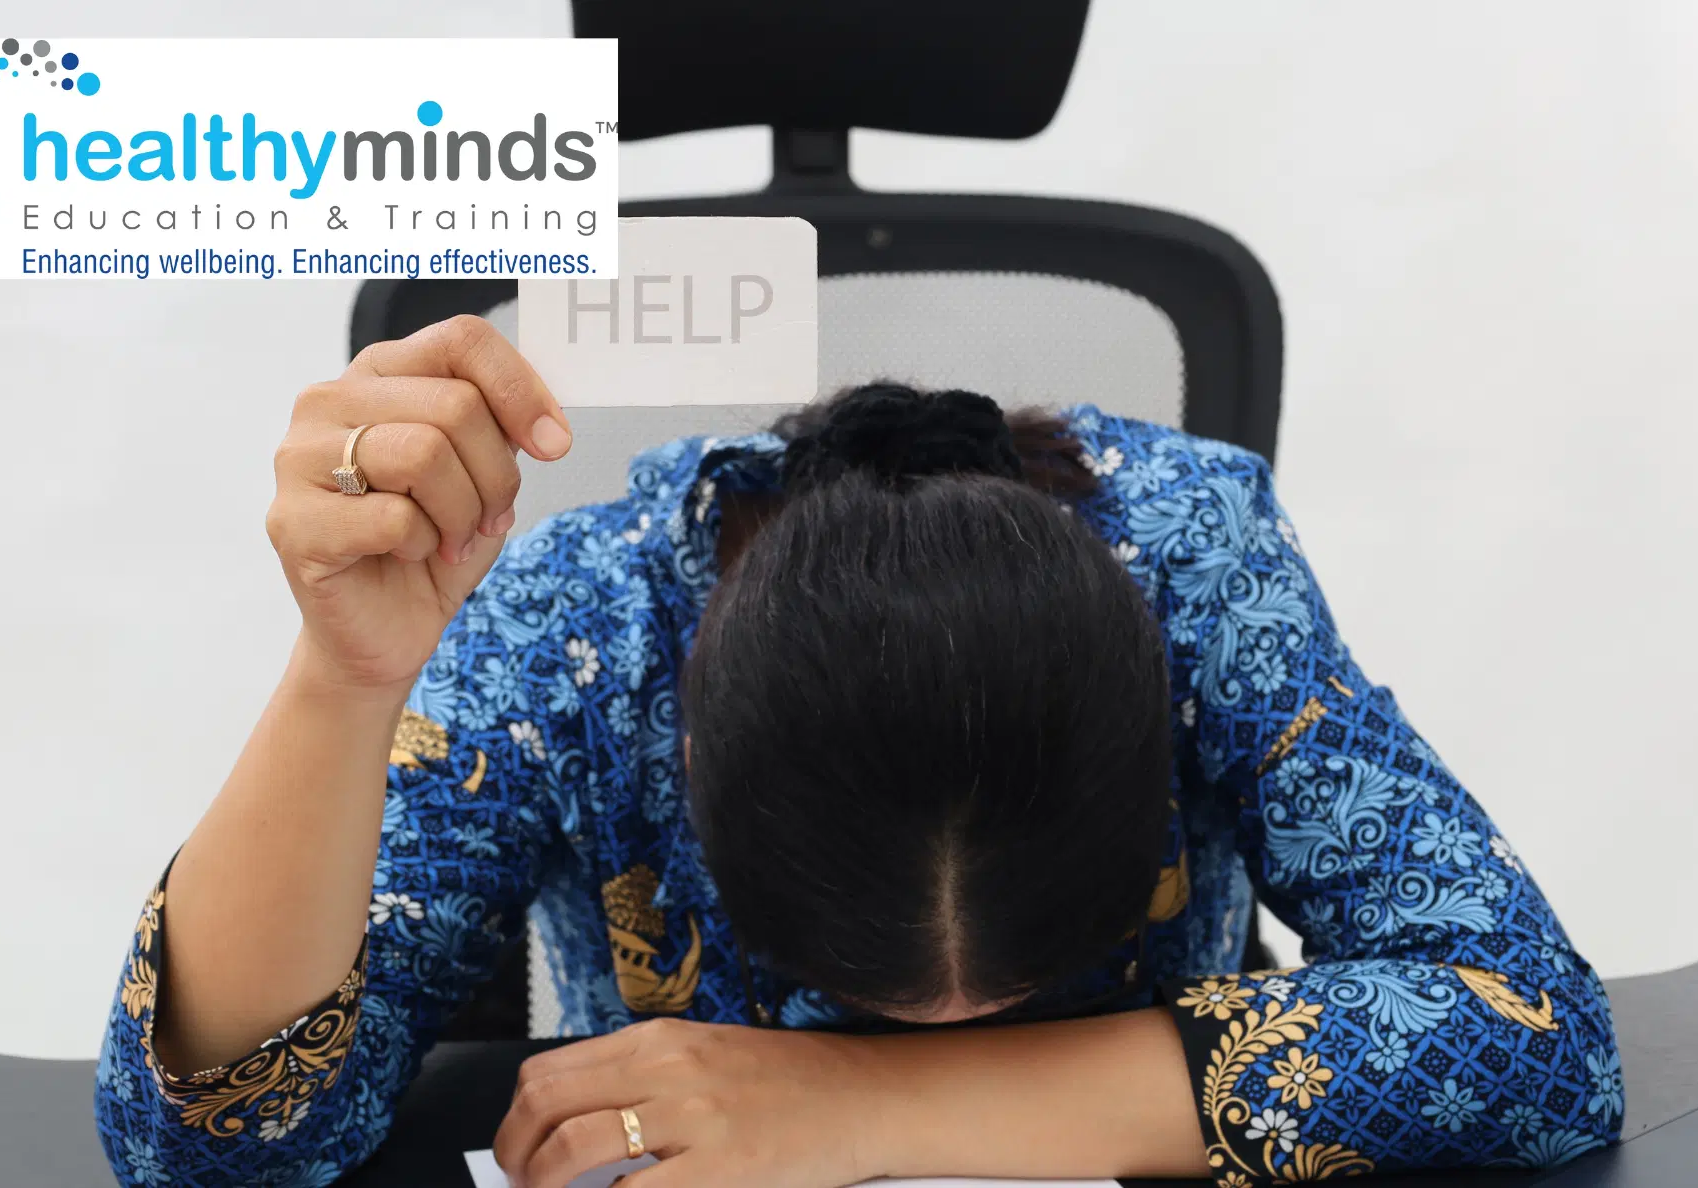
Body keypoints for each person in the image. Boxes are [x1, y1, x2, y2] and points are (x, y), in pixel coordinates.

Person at [94, 316, 1622, 1188]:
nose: (941, 1033)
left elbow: (1529, 1029)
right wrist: (338, 682)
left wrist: (863, 1110)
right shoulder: (585, 632)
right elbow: (205, 1142)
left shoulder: (1190, 559)